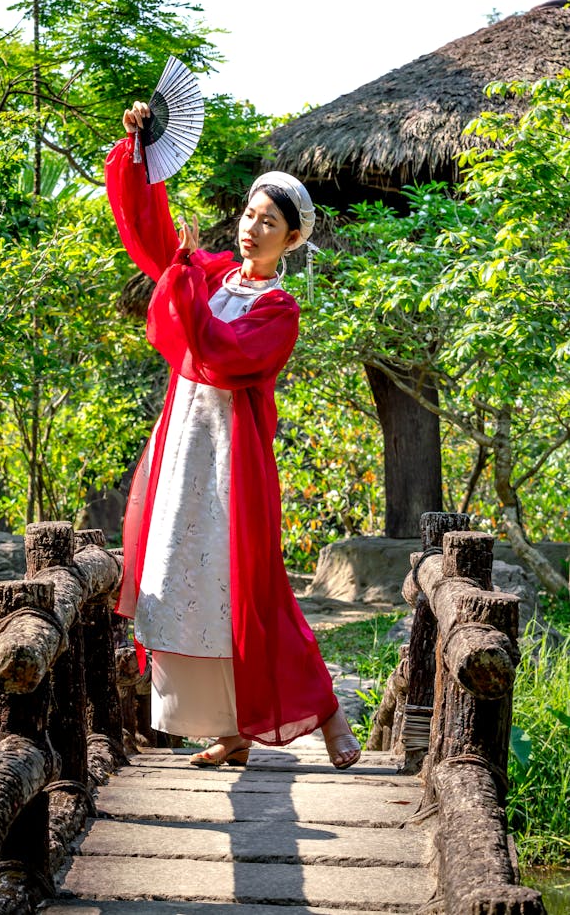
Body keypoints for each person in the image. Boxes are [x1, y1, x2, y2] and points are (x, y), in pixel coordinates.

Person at [105, 100, 361, 770]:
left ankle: (327, 710)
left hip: (232, 464)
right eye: (250, 215)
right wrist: (141, 152)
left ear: (291, 239)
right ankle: (231, 729)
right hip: (183, 450)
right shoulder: (215, 273)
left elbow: (220, 352)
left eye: (268, 222)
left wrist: (186, 275)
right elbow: (157, 243)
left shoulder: (278, 310)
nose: (251, 228)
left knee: (250, 587)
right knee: (183, 580)